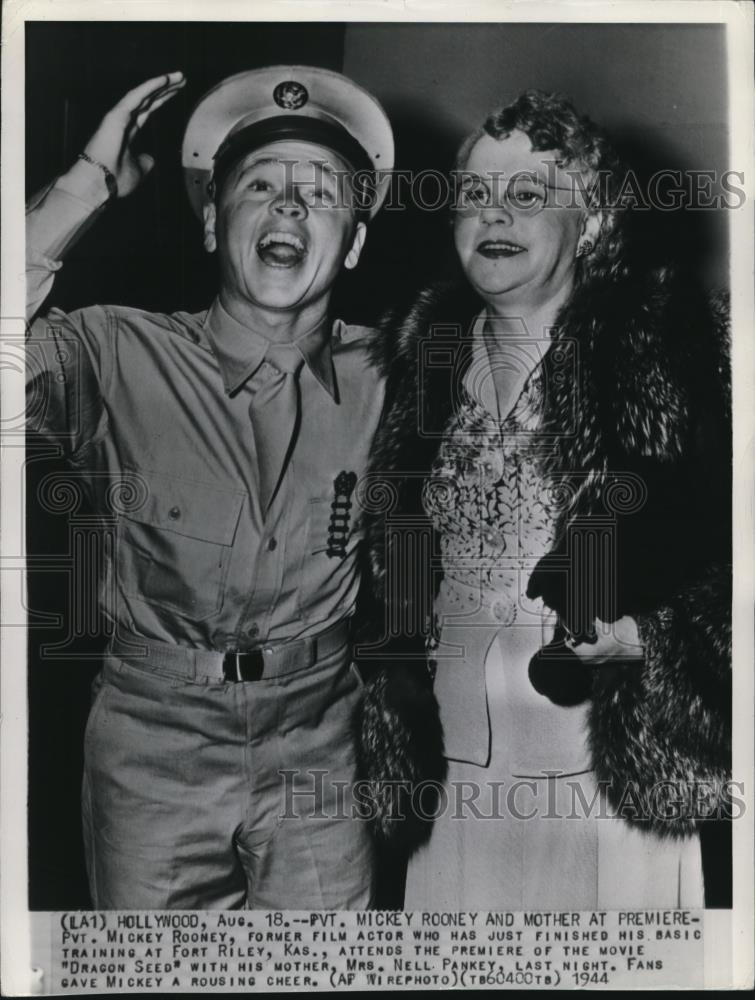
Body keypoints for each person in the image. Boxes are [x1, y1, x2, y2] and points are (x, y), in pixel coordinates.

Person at [25, 65, 394, 909]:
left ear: (356, 242)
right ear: (210, 223)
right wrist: (84, 188)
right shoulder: (114, 351)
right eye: (260, 185)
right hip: (152, 741)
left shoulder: (397, 370)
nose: (290, 208)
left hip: (323, 743)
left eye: (322, 192)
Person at [354, 90, 731, 909]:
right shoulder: (412, 358)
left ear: (590, 225)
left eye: (527, 197)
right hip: (448, 761)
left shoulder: (683, 355)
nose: (494, 217)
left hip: (603, 764)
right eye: (474, 198)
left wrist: (651, 639)